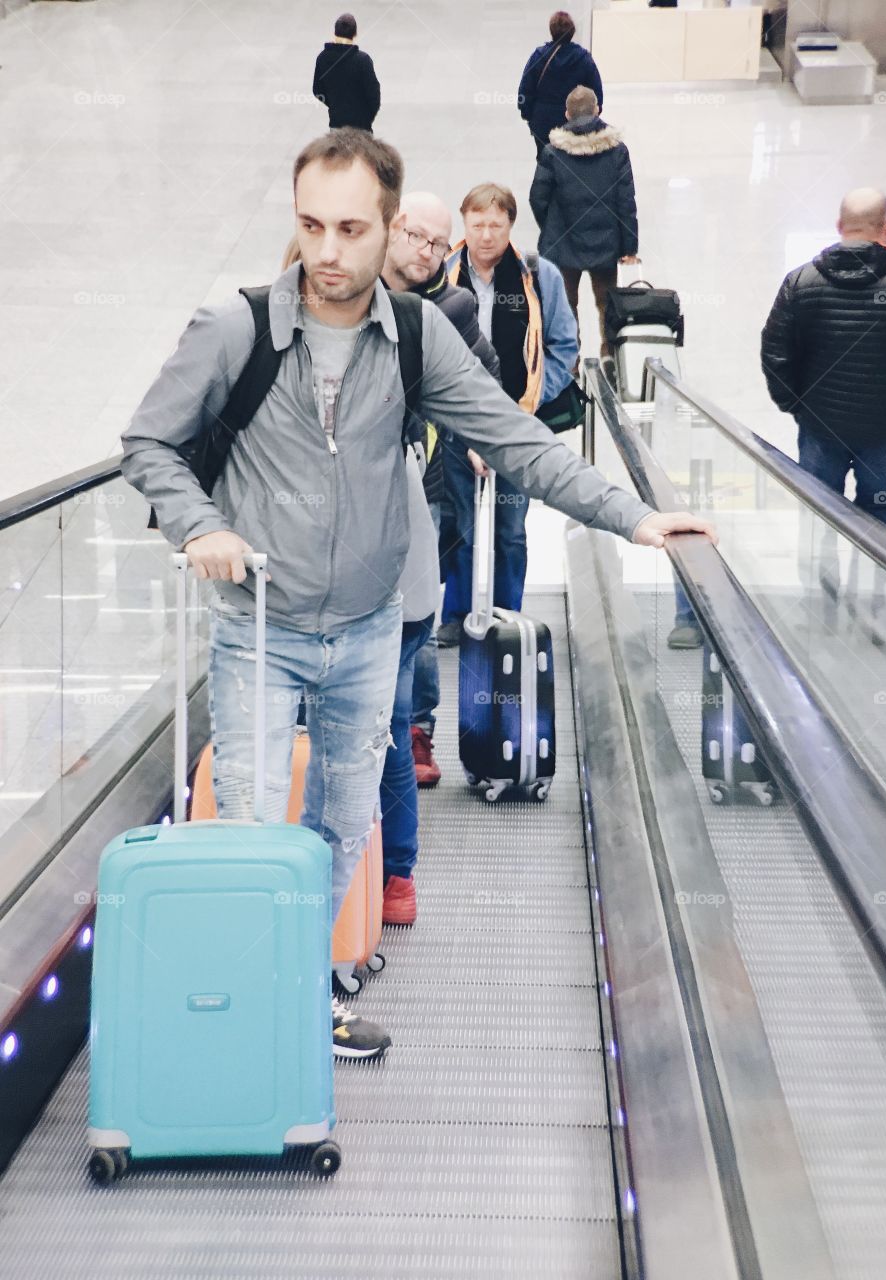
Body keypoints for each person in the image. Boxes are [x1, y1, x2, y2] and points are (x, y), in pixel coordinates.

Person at [122, 129, 716, 1062]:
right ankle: (241, 1032)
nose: (328, 250)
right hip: (259, 629)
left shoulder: (415, 336)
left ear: (390, 227)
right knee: (247, 827)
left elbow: (514, 439)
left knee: (338, 829)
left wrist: (631, 516)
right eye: (311, 224)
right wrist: (200, 525)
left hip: (366, 632)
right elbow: (150, 442)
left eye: (352, 227)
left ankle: (305, 1001)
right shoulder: (235, 328)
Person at [381, 192, 501, 797]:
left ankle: (414, 728)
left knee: (416, 617)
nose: (427, 252)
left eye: (438, 243)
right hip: (345, 486)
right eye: (417, 237)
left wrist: (484, 436)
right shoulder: (354, 289)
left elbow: (484, 372)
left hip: (420, 481)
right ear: (391, 228)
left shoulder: (455, 305)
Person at [761, 188, 886, 530]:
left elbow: (775, 351)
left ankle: (819, 582)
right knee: (879, 516)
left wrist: (795, 404)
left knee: (818, 514)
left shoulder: (801, 280)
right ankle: (877, 582)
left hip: (820, 426)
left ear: (839, 225)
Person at [440, 182, 579, 648]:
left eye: (495, 226)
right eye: (477, 225)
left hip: (519, 424)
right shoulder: (443, 274)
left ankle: (506, 616)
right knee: (458, 524)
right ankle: (455, 614)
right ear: (464, 224)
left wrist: (534, 399)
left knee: (510, 530)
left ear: (510, 227)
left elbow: (564, 344)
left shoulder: (541, 276)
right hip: (454, 422)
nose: (485, 235)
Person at [530, 85, 638, 376]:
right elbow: (626, 200)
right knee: (607, 303)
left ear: (566, 114)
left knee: (567, 305)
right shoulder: (617, 151)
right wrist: (629, 246)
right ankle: (609, 355)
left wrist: (550, 228)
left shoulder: (553, 152)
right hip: (605, 246)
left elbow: (537, 198)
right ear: (597, 110)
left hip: (563, 245)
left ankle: (571, 361)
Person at [518, 11, 603, 160]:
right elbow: (597, 94)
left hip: (543, 125)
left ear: (552, 30)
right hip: (576, 124)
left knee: (545, 164)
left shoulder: (539, 56)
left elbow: (525, 91)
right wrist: (592, 117)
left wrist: (529, 116)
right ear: (572, 31)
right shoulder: (584, 59)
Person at [312, 13, 381, 132]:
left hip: (336, 125)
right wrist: (366, 116)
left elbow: (317, 90)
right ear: (355, 34)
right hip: (361, 128)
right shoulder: (363, 60)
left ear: (335, 32)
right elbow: (374, 94)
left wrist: (335, 106)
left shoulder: (322, 58)